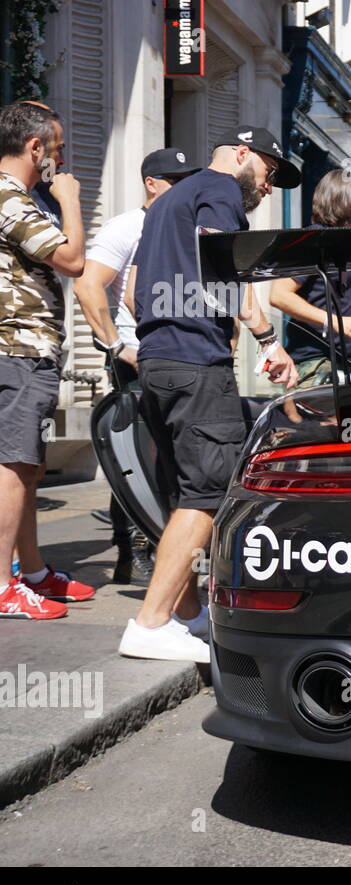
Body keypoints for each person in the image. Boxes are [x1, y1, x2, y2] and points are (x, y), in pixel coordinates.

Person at [118, 124, 300, 662]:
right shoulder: (218, 190)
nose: (268, 187)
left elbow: (131, 292)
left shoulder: (166, 202)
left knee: (184, 492)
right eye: (268, 172)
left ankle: (187, 613)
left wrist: (166, 325)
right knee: (209, 491)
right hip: (196, 364)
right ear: (242, 155)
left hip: (158, 360)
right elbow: (224, 266)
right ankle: (150, 624)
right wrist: (269, 339)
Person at [72, 147, 201, 585]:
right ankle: (135, 548)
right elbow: (89, 285)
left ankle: (161, 548)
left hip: (182, 354)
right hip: (139, 358)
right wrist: (118, 346)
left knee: (174, 455)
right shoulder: (129, 225)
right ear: (151, 183)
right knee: (140, 455)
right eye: (176, 181)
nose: (186, 189)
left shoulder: (187, 227)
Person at [0, 100, 96, 620]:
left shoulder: (17, 198)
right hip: (17, 348)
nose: (61, 161)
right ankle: (3, 586)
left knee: (27, 467)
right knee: (13, 467)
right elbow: (73, 260)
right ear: (35, 148)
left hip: (26, 350)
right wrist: (71, 200)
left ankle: (32, 571)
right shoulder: (10, 197)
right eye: (57, 150)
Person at [270, 168, 351, 386]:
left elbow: (350, 310)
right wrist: (334, 321)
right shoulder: (309, 242)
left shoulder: (344, 246)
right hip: (315, 364)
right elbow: (279, 295)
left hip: (350, 364)